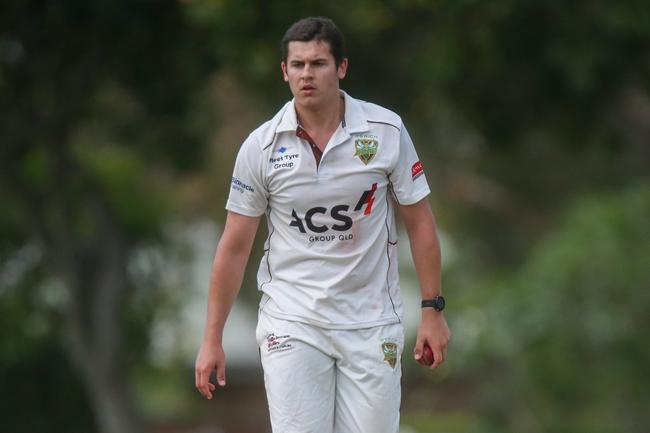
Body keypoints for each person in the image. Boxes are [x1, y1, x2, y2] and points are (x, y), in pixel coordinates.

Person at [195, 16, 450, 433]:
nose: (307, 74)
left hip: (371, 322)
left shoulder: (386, 131)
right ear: (284, 72)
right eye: (297, 65)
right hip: (293, 321)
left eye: (318, 63)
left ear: (342, 68)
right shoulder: (261, 146)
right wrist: (211, 338)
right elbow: (234, 246)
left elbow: (420, 222)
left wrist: (432, 310)